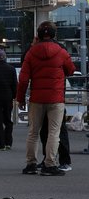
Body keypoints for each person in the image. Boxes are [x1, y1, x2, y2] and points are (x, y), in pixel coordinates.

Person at [17, 21, 75, 176]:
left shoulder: (31, 52)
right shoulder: (61, 51)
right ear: (54, 34)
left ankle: (31, 164)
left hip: (36, 98)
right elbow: (71, 69)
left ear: (39, 35)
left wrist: (20, 99)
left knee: (33, 132)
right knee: (54, 133)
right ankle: (50, 164)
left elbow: (23, 79)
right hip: (56, 98)